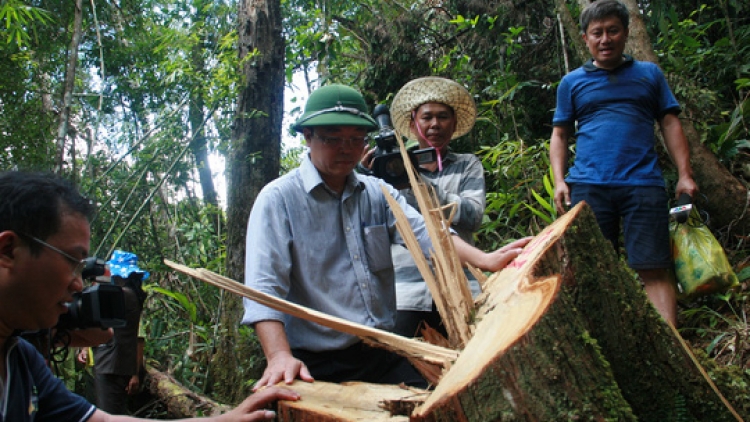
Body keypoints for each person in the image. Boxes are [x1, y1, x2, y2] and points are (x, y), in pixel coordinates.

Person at [242, 83, 529, 390]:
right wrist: (279, 356)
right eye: (333, 138)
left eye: (355, 140)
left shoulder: (378, 194)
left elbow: (428, 236)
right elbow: (263, 288)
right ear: (308, 136)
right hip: (315, 359)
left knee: (443, 396)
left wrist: (485, 259)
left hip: (381, 350)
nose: (345, 148)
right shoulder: (278, 199)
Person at [0, 171, 299, 422]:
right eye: (72, 261)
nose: (79, 285)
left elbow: (100, 421)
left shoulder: (21, 360)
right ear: (8, 250)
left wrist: (224, 420)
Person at [549, 0, 698, 327]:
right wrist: (560, 181)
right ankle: (606, 349)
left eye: (612, 30)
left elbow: (670, 123)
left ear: (626, 33)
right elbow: (560, 135)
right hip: (588, 186)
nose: (605, 39)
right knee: (592, 270)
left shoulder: (649, 74)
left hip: (643, 185)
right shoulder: (572, 83)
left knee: (653, 268)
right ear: (586, 38)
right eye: (597, 33)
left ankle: (671, 351)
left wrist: (685, 175)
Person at [360, 76, 485, 337]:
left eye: (443, 117)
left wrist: (419, 183)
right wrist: (364, 175)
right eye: (427, 117)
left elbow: (473, 216)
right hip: (407, 293)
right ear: (413, 123)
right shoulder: (384, 169)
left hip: (463, 287)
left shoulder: (467, 164)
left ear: (454, 124)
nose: (435, 124)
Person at [88, 250, 149, 415]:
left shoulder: (123, 295)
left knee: (109, 413)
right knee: (113, 411)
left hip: (111, 364)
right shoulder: (131, 294)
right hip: (117, 364)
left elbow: (95, 297)